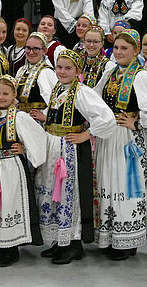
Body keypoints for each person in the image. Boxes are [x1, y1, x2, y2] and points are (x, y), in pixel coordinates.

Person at [92, 30, 147, 260]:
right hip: (109, 138)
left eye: (124, 48)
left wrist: (138, 122)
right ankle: (110, 236)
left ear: (136, 51)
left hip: (130, 141)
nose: (119, 52)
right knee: (108, 184)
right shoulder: (110, 73)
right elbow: (96, 100)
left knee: (127, 186)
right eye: (116, 48)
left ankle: (128, 241)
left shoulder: (141, 76)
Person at [36, 50, 116, 264]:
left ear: (77, 71)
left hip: (69, 149)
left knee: (68, 195)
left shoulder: (81, 91)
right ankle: (57, 240)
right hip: (52, 147)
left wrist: (87, 134)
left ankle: (73, 244)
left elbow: (107, 117)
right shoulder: (57, 89)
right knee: (51, 193)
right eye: (59, 67)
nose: (62, 71)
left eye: (68, 68)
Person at [0, 76, 48, 266]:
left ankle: (12, 249)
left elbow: (38, 136)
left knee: (10, 204)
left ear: (14, 95)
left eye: (5, 94)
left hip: (11, 167)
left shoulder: (19, 117)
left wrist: (25, 149)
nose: (1, 97)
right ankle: (0, 246)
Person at [15, 32, 58, 117]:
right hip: (21, 118)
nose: (31, 52)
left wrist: (45, 116)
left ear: (44, 50)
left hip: (35, 121)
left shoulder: (45, 72)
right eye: (28, 48)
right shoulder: (22, 70)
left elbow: (55, 100)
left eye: (36, 49)